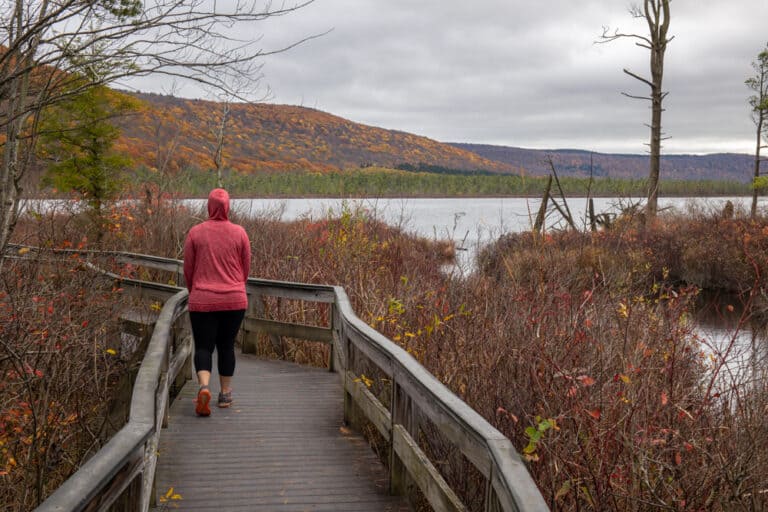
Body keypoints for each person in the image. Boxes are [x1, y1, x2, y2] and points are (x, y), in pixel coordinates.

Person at [183, 188, 251, 416]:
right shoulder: (240, 233)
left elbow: (188, 269)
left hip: (202, 299)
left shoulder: (195, 233)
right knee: (226, 346)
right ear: (228, 207)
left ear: (209, 207)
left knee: (203, 346)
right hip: (234, 299)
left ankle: (203, 387)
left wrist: (195, 292)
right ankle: (225, 393)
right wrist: (235, 287)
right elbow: (245, 268)